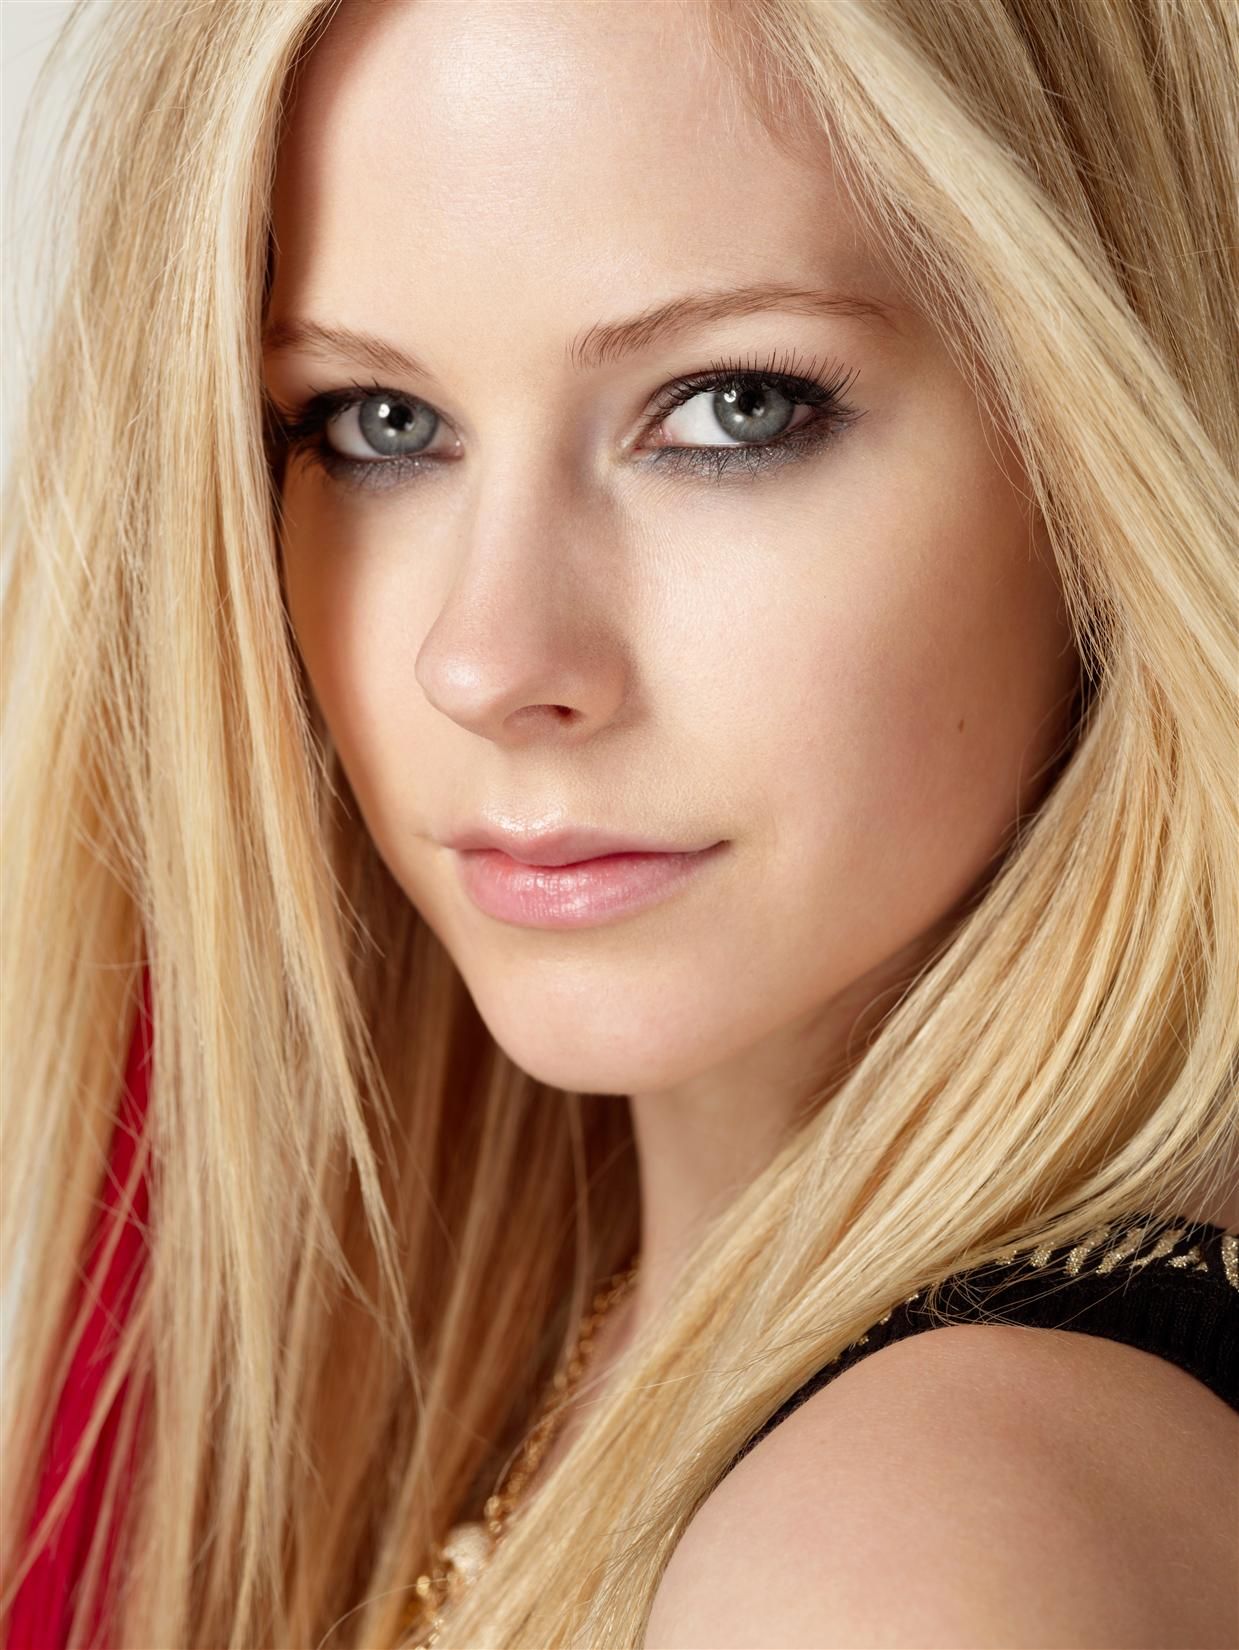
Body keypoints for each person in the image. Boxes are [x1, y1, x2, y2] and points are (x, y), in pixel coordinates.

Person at [2, 0, 1236, 1645]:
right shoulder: (566, 1340)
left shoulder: (924, 1544)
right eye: (378, 423)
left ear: (1105, 431)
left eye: (735, 407)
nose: (489, 660)